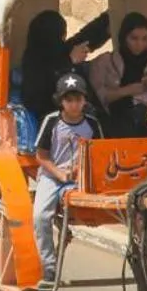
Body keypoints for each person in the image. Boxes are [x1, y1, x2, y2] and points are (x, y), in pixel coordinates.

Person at [32, 71, 96, 279]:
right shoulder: (51, 122)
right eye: (69, 100)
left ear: (85, 100)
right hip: (51, 177)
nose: (74, 104)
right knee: (40, 216)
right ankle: (48, 266)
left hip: (80, 179)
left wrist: (80, 171)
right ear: (61, 102)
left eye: (78, 99)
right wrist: (59, 173)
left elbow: (99, 154)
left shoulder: (92, 124)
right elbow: (41, 156)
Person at [19, 6, 111, 124]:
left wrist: (106, 19)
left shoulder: (57, 50)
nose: (64, 37)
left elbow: (83, 39)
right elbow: (36, 98)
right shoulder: (33, 63)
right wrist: (69, 63)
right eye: (62, 35)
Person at [87, 9, 147, 137]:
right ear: (124, 37)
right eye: (134, 38)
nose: (139, 44)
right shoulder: (105, 62)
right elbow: (97, 97)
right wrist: (126, 91)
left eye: (144, 39)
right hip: (117, 121)